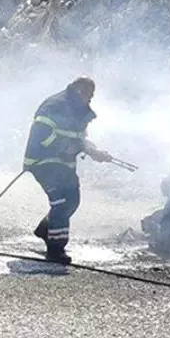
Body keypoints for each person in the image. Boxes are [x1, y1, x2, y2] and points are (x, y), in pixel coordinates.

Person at [23, 77, 112, 263]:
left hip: (64, 166)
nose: (90, 100)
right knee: (61, 203)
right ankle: (56, 250)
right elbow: (40, 136)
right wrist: (63, 147)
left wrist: (93, 151)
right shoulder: (54, 106)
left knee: (72, 200)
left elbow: (79, 139)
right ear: (79, 91)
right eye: (89, 95)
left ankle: (46, 229)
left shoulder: (79, 111)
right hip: (43, 162)